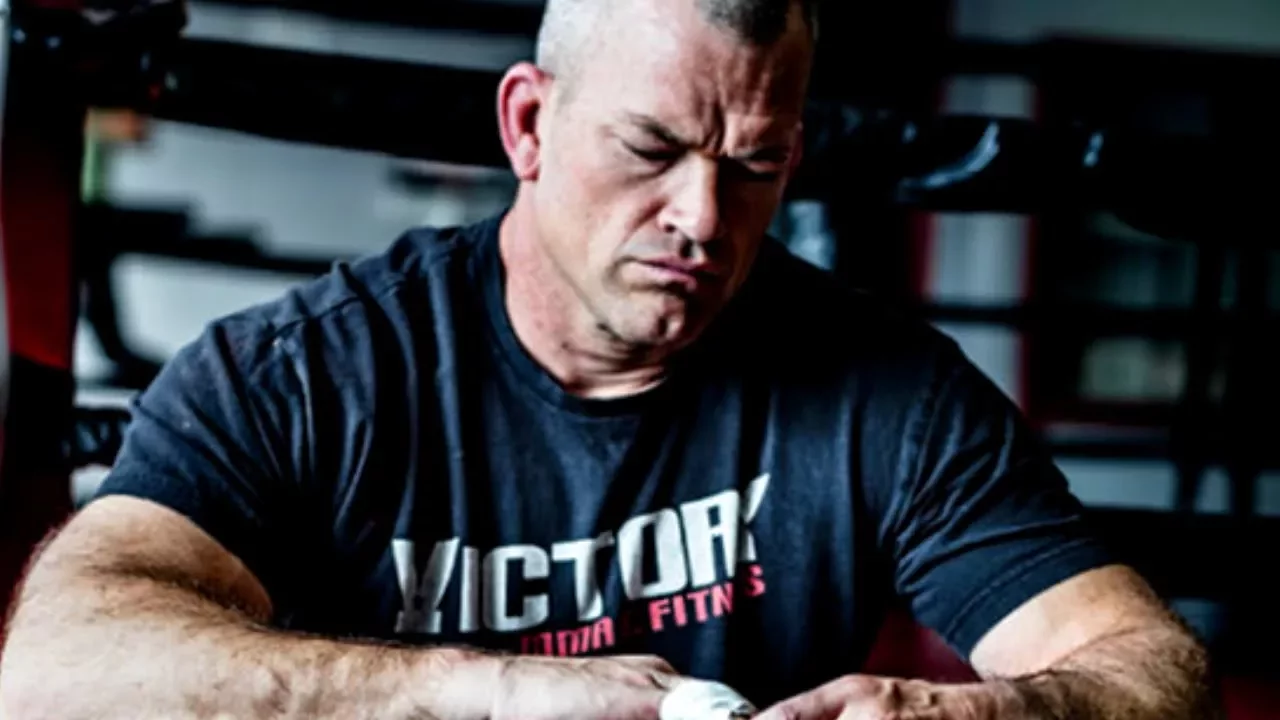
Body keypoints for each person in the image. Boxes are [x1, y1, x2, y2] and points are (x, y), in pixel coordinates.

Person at [0, 0, 1218, 718]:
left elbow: (1154, 674)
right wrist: (495, 692)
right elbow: (54, 674)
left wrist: (983, 715)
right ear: (528, 124)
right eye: (650, 148)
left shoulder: (887, 393)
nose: (701, 216)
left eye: (754, 166)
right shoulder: (305, 375)